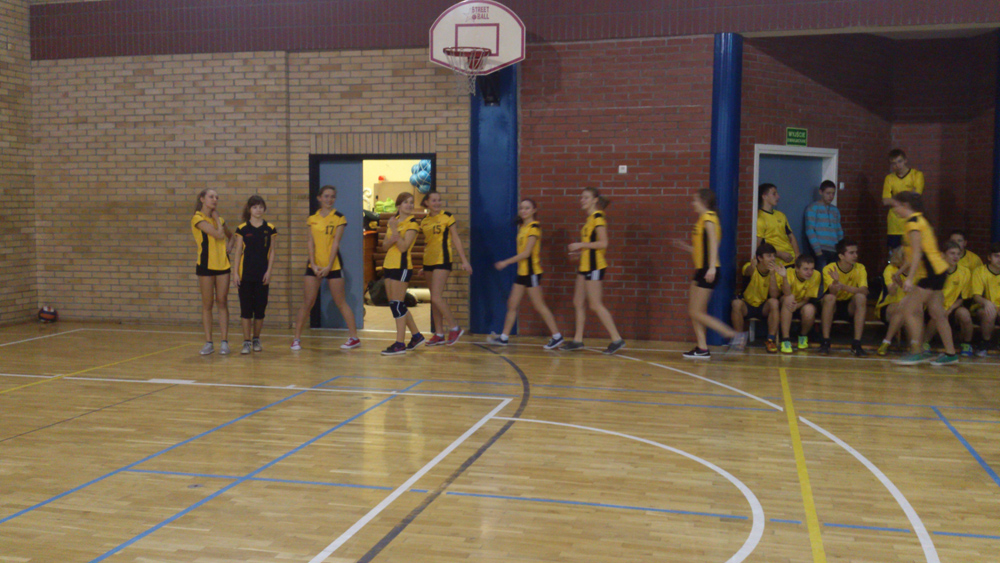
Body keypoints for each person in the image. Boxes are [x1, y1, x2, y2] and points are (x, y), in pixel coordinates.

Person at [885, 192, 957, 366]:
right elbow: (914, 254)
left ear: (906, 205)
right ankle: (951, 354)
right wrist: (900, 271)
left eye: (896, 206)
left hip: (930, 273)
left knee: (909, 310)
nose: (894, 210)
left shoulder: (913, 223)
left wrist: (909, 278)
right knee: (938, 314)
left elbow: (918, 253)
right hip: (939, 271)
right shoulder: (919, 220)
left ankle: (918, 352)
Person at [671, 189, 744, 359]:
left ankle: (734, 335)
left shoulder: (709, 218)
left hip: (708, 270)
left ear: (703, 202)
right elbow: (702, 249)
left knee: (697, 312)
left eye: (695, 200)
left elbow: (713, 244)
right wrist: (685, 247)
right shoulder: (702, 219)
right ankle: (702, 348)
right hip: (701, 269)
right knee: (693, 311)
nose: (693, 203)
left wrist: (711, 267)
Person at [290, 185, 361, 352]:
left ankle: (354, 338)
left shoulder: (339, 218)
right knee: (308, 302)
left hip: (333, 265)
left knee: (340, 302)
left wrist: (329, 266)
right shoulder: (312, 219)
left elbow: (335, 243)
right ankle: (296, 339)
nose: (329, 199)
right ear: (319, 198)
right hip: (314, 265)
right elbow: (310, 242)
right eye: (326, 196)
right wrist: (313, 264)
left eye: (332, 197)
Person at [489, 198, 564, 350]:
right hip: (522, 272)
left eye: (527, 208)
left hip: (531, 273)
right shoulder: (523, 227)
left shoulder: (534, 228)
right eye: (521, 208)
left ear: (534, 210)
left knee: (539, 305)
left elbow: (526, 253)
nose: (523, 211)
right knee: (512, 304)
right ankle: (504, 337)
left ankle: (557, 336)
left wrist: (505, 262)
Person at [564, 187, 626, 354]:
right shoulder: (590, 219)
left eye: (586, 197)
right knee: (578, 302)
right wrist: (579, 253)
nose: (582, 200)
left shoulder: (598, 217)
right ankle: (578, 340)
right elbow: (592, 246)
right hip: (585, 265)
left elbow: (604, 243)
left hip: (594, 266)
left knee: (595, 304)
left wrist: (581, 244)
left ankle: (617, 339)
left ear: (595, 200)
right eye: (581, 197)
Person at [419, 191, 472, 346]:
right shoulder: (424, 221)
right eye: (434, 200)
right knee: (434, 299)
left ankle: (455, 327)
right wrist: (423, 266)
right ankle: (439, 333)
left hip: (443, 260)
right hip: (428, 262)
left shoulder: (447, 216)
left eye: (439, 200)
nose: (437, 203)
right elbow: (427, 243)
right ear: (427, 203)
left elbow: (456, 238)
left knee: (436, 297)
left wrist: (464, 260)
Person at [380, 192, 425, 355]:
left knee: (398, 304)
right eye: (406, 202)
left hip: (402, 266)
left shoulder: (412, 224)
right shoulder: (393, 221)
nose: (409, 205)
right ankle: (416, 336)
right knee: (395, 304)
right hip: (389, 264)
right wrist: (393, 235)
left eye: (411, 202)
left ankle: (400, 343)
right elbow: (385, 246)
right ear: (398, 205)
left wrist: (394, 232)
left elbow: (403, 247)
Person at [232, 195, 277, 354]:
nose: (258, 210)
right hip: (245, 275)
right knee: (246, 309)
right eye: (255, 207)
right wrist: (235, 273)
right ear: (249, 209)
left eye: (261, 207)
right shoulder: (242, 229)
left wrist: (269, 272)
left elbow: (272, 252)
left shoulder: (270, 228)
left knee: (260, 309)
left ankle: (256, 338)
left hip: (262, 275)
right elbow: (238, 251)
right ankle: (246, 342)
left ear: (264, 209)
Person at [191, 188, 234, 355]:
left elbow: (231, 236)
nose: (215, 199)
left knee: (222, 301)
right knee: (207, 304)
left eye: (217, 197)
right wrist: (216, 219)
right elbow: (217, 235)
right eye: (211, 197)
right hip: (205, 266)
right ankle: (209, 342)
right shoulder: (197, 218)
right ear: (202, 199)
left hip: (223, 266)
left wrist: (230, 247)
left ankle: (224, 342)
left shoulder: (220, 220)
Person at [922, 242, 974, 357]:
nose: (956, 256)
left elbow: (961, 298)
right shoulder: (934, 271)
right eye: (952, 253)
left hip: (952, 307)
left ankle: (967, 344)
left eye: (958, 254)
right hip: (933, 308)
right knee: (938, 315)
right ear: (943, 255)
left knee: (965, 314)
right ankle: (925, 342)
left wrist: (950, 309)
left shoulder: (965, 272)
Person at [819, 239, 868, 356]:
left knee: (861, 297)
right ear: (841, 256)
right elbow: (832, 291)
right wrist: (836, 282)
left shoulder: (860, 268)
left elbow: (864, 291)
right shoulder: (829, 268)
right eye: (851, 253)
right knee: (829, 298)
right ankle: (825, 341)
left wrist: (844, 287)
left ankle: (856, 344)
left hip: (850, 306)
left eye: (856, 252)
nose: (855, 256)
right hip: (833, 305)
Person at [731, 243, 781, 352]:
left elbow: (774, 295)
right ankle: (739, 339)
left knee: (774, 302)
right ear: (760, 258)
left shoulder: (775, 272)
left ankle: (770, 340)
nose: (772, 259)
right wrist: (752, 267)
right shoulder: (750, 266)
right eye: (769, 256)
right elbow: (748, 272)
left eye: (774, 256)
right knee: (736, 303)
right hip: (747, 305)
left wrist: (772, 275)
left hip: (763, 306)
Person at [882, 149, 925, 251]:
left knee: (911, 254)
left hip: (911, 222)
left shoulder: (917, 175)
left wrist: (894, 200)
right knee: (895, 256)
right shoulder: (889, 178)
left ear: (905, 160)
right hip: (894, 225)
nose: (897, 165)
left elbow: (915, 198)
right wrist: (906, 199)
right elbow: (885, 200)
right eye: (894, 163)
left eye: (900, 161)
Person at [777, 254, 821, 354]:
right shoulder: (788, 272)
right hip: (785, 302)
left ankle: (802, 336)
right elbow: (786, 294)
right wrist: (784, 278)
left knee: (810, 309)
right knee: (790, 298)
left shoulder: (816, 275)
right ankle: (785, 339)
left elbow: (806, 299)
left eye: (812, 269)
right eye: (806, 269)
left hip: (801, 304)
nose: (809, 272)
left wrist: (796, 306)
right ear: (797, 268)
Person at [875, 247, 909, 356]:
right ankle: (886, 342)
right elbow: (892, 292)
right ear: (901, 258)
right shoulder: (890, 269)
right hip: (889, 306)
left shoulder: (918, 272)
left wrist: (903, 285)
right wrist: (896, 281)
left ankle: (917, 345)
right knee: (901, 309)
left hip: (911, 308)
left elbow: (918, 295)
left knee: (911, 311)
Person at [757, 183, 800, 267]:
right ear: (764, 196)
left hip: (792, 259)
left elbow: (791, 236)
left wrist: (797, 255)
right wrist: (779, 254)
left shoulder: (781, 215)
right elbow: (759, 246)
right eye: (774, 194)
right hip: (776, 263)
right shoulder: (759, 218)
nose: (778, 196)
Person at [804, 180, 843, 271]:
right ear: (821, 192)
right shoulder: (813, 208)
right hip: (821, 249)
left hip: (834, 250)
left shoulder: (835, 210)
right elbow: (810, 230)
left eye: (833, 193)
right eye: (828, 193)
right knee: (820, 276)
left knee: (833, 277)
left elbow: (839, 230)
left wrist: (841, 248)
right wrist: (818, 251)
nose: (831, 196)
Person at [969, 242, 1000, 357]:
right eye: (997, 256)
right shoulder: (980, 271)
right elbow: (976, 296)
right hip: (982, 307)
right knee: (990, 312)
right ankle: (985, 342)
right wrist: (986, 303)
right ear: (989, 257)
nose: (999, 259)